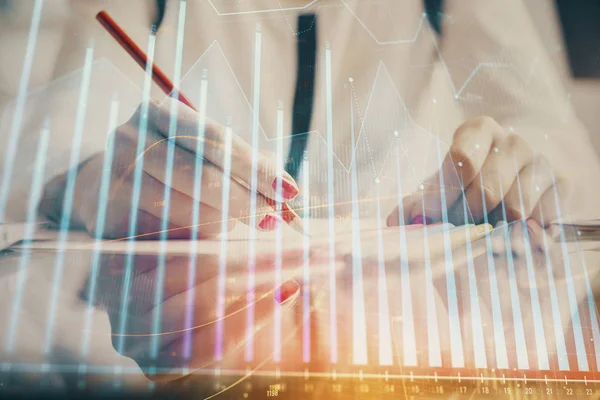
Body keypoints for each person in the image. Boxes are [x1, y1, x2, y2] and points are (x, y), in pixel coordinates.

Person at [1, 0, 599, 386]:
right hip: (185, 357)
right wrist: (98, 184)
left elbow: (567, 167)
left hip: (395, 354)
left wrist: (513, 177)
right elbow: (47, 150)